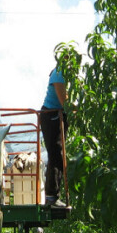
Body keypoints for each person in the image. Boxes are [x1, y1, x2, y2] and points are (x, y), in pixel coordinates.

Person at [40, 67, 68, 207]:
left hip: (57, 115)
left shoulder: (69, 75)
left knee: (58, 154)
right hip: (51, 115)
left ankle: (53, 196)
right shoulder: (59, 73)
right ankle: (51, 197)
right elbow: (65, 102)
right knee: (56, 154)